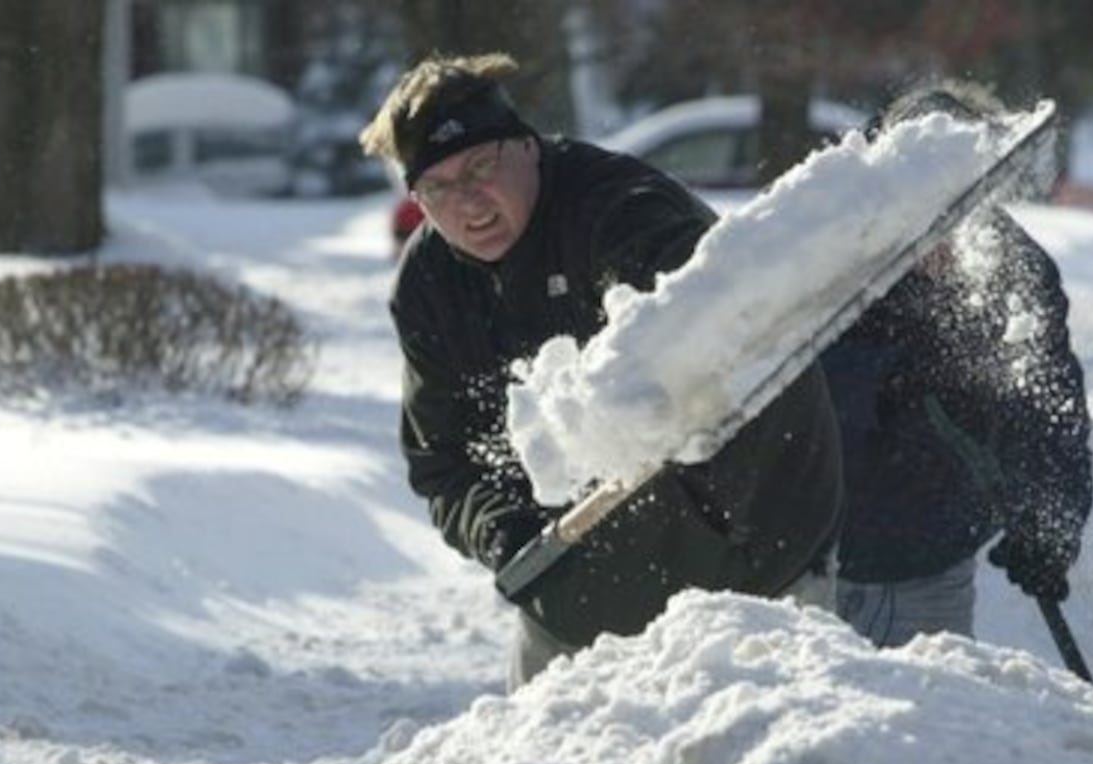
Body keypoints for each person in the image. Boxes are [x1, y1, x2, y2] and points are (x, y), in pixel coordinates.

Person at [359, 53, 844, 690]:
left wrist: (636, 373)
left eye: (480, 168)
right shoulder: (429, 286)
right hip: (582, 589)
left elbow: (692, 306)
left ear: (528, 148)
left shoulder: (620, 209)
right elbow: (443, 463)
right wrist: (507, 535)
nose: (467, 202)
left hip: (757, 555)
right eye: (438, 188)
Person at [819, 80, 1093, 647]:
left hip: (925, 562)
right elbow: (792, 384)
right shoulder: (835, 256)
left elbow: (1049, 413)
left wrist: (1050, 531)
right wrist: (884, 379)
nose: (940, 238)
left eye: (960, 206)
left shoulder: (1015, 276)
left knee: (920, 726)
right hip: (808, 559)